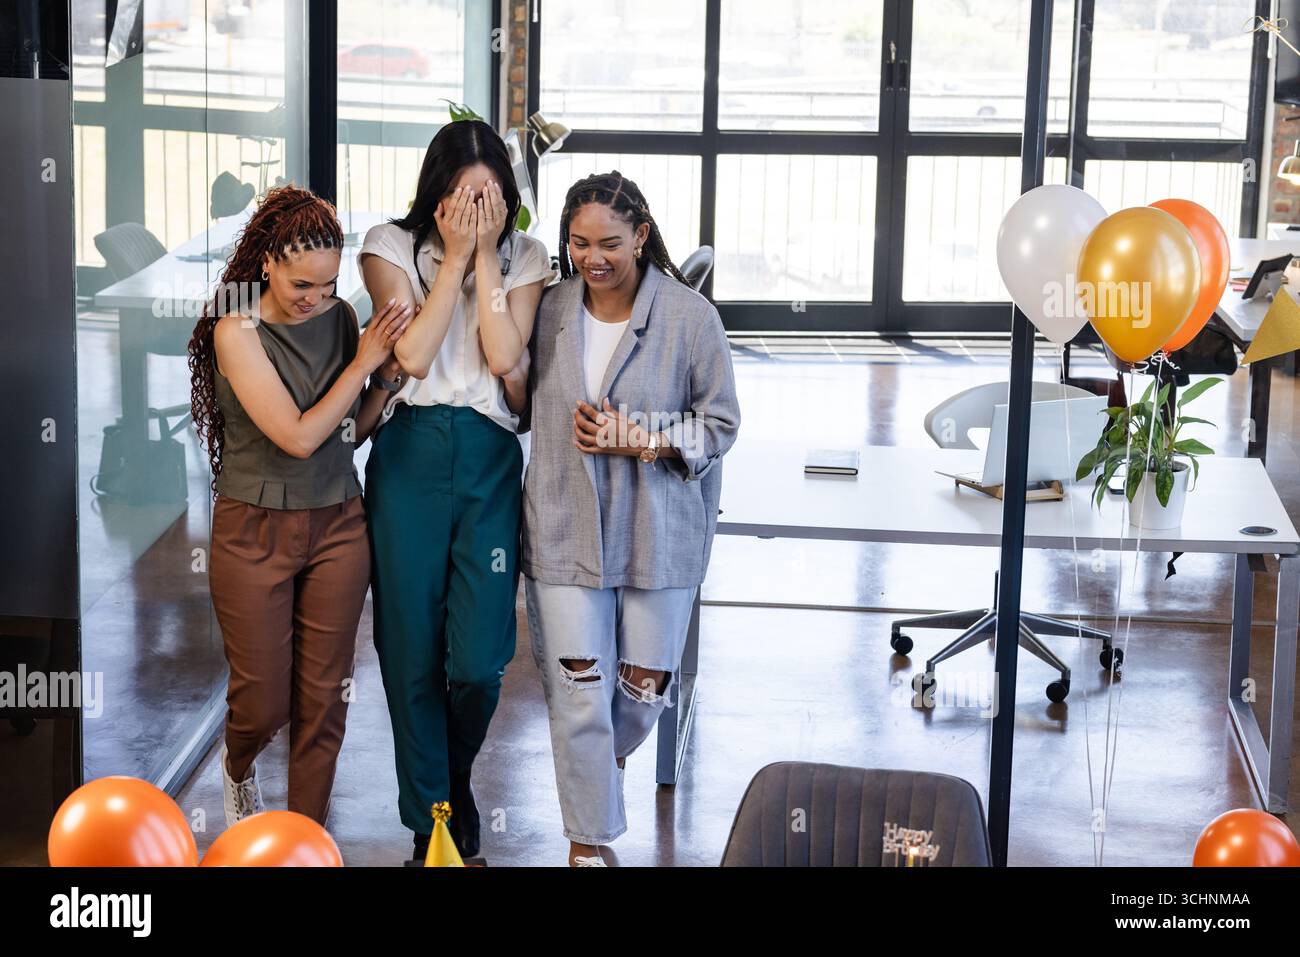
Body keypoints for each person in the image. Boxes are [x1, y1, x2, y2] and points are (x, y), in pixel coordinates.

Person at [521, 171, 741, 866]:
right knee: (580, 695)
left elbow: (721, 422)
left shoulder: (689, 317)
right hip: (564, 528)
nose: (595, 257)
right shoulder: (549, 310)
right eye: (579, 243)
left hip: (657, 531)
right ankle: (588, 846)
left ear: (641, 236)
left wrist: (641, 438)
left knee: (641, 695)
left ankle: (597, 776)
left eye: (610, 242)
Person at [358, 119, 553, 863]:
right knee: (408, 645)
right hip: (409, 455)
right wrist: (451, 267)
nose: (477, 208)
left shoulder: (528, 257)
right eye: (463, 195)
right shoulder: (389, 246)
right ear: (436, 195)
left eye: (491, 194)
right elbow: (408, 354)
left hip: (487, 458)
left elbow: (505, 353)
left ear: (508, 197)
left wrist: (488, 263)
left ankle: (454, 773)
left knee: (477, 658)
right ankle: (432, 819)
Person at [188, 185, 411, 827]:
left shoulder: (339, 318)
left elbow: (347, 432)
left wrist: (387, 383)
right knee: (263, 700)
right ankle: (238, 766)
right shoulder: (236, 330)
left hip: (339, 522)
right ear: (269, 264)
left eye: (328, 284)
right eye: (302, 285)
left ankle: (301, 836)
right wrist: (365, 361)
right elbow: (297, 436)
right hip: (252, 530)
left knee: (323, 701)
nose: (317, 298)